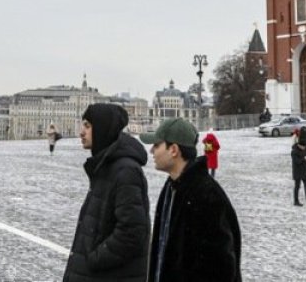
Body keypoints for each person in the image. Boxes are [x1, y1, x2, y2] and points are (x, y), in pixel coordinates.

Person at [140, 118, 241, 281]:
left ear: (173, 150)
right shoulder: (171, 186)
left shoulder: (206, 196)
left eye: (157, 145)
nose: (152, 151)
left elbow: (220, 267)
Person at [64, 103, 149, 282]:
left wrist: (95, 259)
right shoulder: (106, 166)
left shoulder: (125, 170)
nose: (81, 132)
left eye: (87, 126)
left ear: (102, 128)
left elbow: (132, 232)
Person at [292, 125, 306, 207]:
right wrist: (304, 159)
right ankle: (296, 201)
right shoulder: (294, 151)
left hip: (304, 170)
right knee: (297, 186)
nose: (304, 148)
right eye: (303, 146)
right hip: (297, 171)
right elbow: (297, 161)